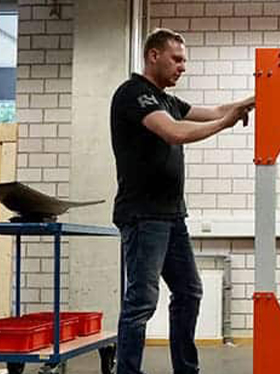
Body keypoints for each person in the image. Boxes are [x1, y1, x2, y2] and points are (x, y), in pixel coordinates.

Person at [109, 28, 254, 374]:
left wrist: (259, 97)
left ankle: (186, 370)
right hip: (144, 215)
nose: (182, 67)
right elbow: (174, 132)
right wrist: (225, 124)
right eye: (177, 59)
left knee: (189, 292)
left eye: (184, 60)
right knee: (141, 302)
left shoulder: (168, 100)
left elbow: (218, 109)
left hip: (171, 216)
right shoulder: (134, 94)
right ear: (153, 55)